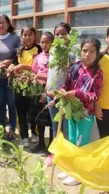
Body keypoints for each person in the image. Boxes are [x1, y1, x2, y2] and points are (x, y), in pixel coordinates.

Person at [56, 38, 104, 186]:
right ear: (80, 51)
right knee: (71, 140)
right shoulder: (75, 67)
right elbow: (67, 83)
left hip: (85, 113)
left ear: (97, 54)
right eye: (84, 51)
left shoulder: (97, 73)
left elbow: (95, 95)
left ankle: (78, 174)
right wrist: (63, 90)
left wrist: (77, 93)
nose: (87, 55)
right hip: (71, 110)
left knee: (80, 143)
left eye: (92, 52)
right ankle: (70, 169)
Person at [45, 22, 74, 165]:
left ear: (69, 35)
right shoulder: (53, 52)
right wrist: (47, 90)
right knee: (55, 126)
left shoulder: (72, 54)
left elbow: (72, 75)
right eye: (57, 34)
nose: (60, 36)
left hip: (63, 96)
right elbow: (51, 73)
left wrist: (63, 92)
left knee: (66, 128)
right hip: (50, 95)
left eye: (63, 33)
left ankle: (65, 157)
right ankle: (54, 154)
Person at [14, 25, 42, 148]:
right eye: (24, 35)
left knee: (33, 111)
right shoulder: (18, 51)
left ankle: (34, 133)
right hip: (20, 86)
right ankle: (24, 136)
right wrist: (12, 70)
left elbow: (41, 68)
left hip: (34, 86)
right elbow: (15, 66)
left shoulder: (39, 49)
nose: (27, 37)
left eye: (30, 34)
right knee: (21, 111)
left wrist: (25, 68)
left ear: (35, 36)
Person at [29, 31, 54, 153]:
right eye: (42, 42)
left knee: (50, 120)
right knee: (40, 119)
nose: (44, 45)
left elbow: (55, 75)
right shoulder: (38, 57)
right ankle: (40, 143)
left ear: (52, 43)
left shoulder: (55, 58)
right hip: (38, 92)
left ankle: (51, 145)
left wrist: (41, 76)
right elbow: (34, 72)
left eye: (47, 42)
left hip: (49, 91)